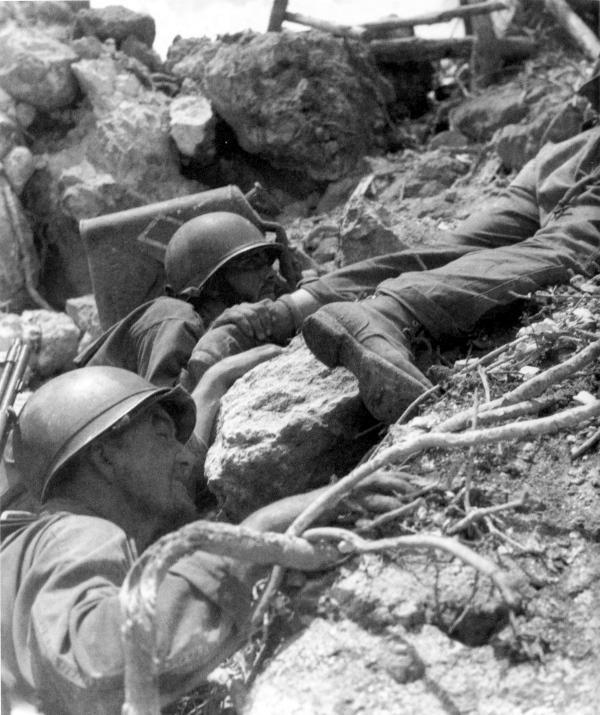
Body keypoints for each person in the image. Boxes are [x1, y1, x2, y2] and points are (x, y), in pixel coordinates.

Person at [1, 356, 406, 715]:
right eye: (163, 435)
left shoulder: (26, 555)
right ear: (105, 457)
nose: (184, 457)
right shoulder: (76, 532)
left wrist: (213, 379)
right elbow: (96, 666)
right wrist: (254, 537)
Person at [187, 124, 600, 423]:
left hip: (563, 156)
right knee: (566, 250)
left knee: (454, 249)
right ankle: (387, 314)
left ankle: (279, 315)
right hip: (583, 157)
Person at [75, 210, 296, 389]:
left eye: (268, 261)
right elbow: (167, 415)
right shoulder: (175, 318)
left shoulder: (248, 320)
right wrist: (214, 341)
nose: (269, 273)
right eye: (251, 264)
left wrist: (296, 282)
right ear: (212, 286)